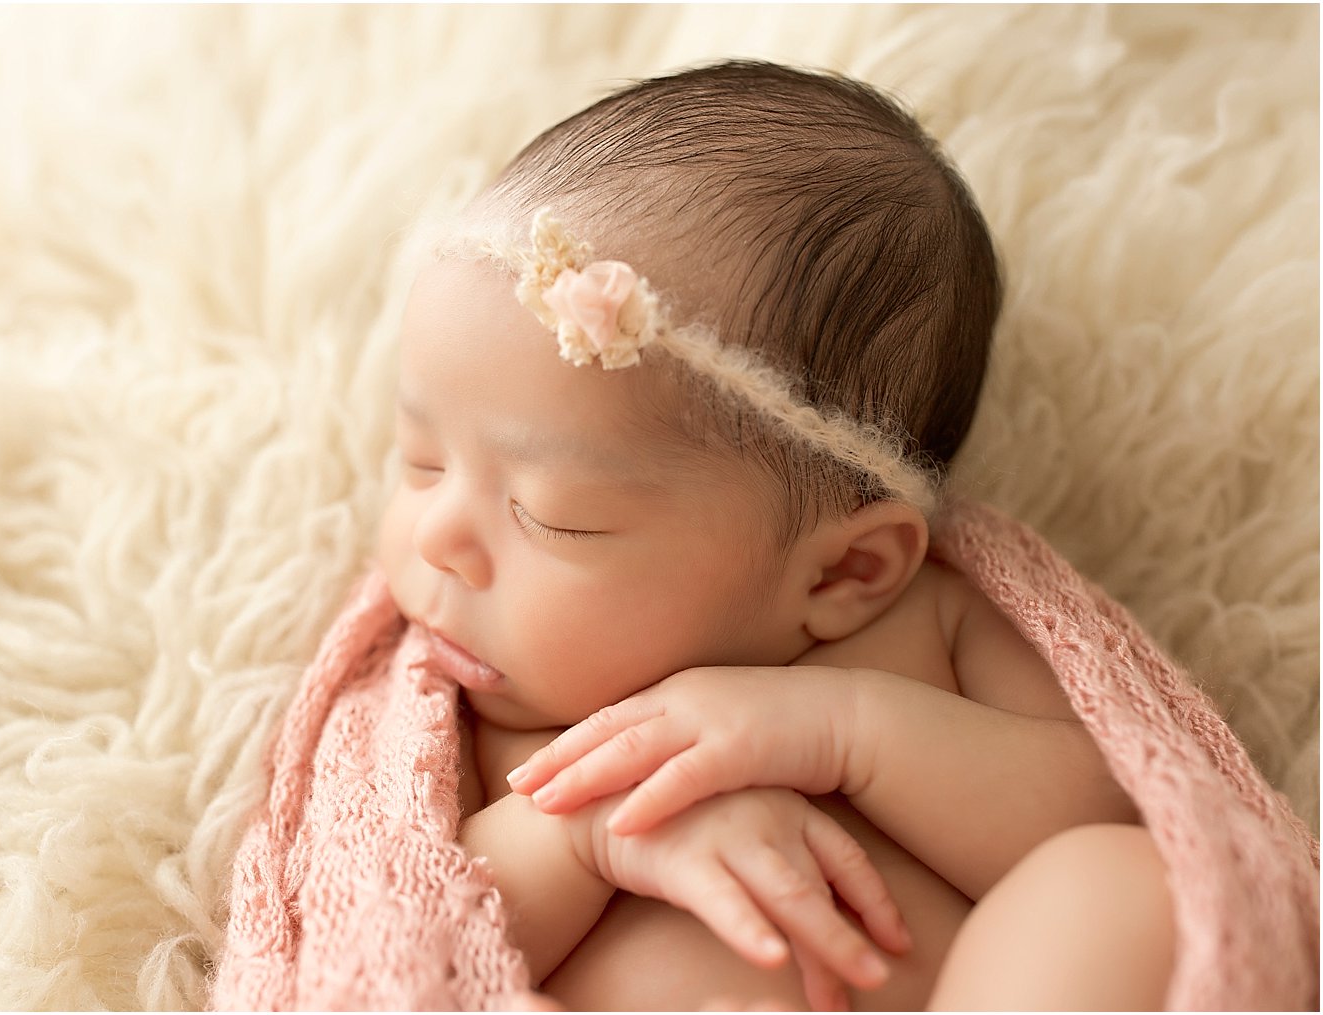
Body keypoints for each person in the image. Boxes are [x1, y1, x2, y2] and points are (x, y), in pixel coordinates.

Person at [375, 59, 1177, 1010]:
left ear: (846, 571)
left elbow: (1123, 803)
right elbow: (401, 933)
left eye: (555, 515)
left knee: (1129, 887)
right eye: (420, 459)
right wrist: (583, 837)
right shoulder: (490, 715)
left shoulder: (924, 632)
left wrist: (849, 732)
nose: (437, 536)